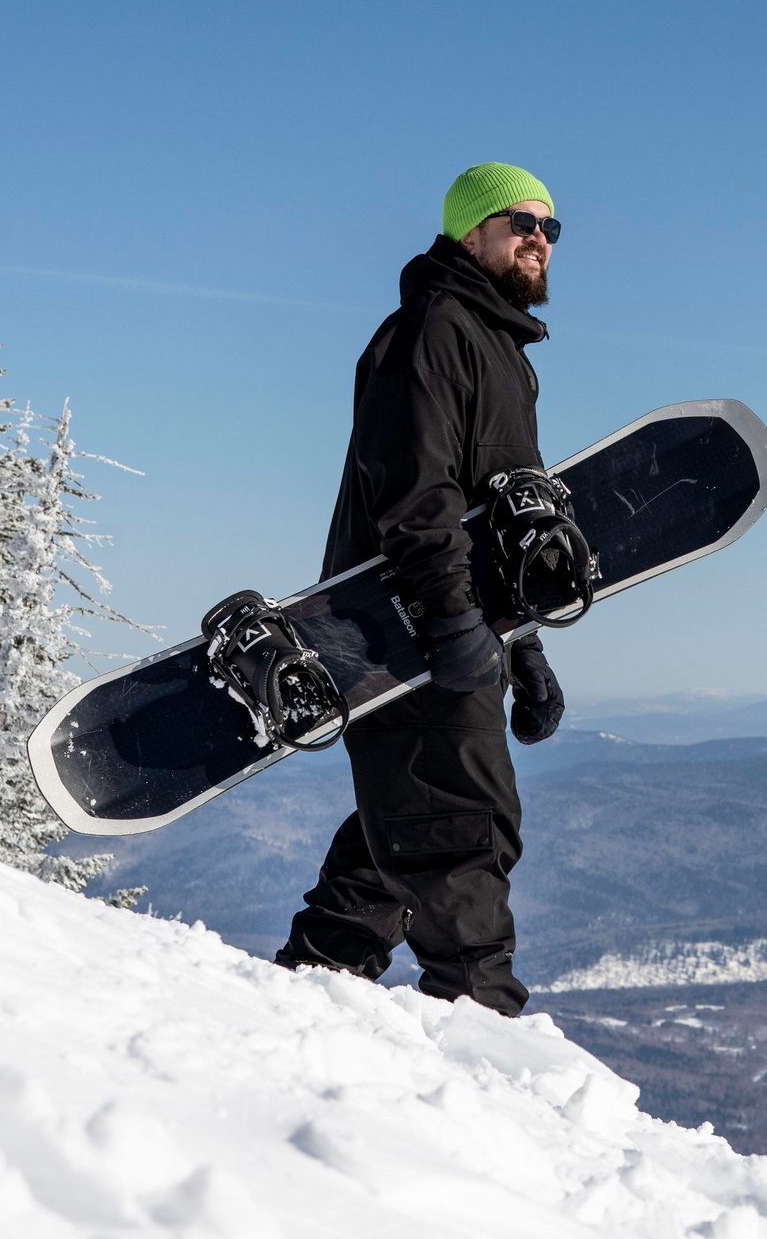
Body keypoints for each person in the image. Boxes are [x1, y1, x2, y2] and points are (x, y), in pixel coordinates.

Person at [274, 163, 569, 1015]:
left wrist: (527, 649)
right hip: (404, 624)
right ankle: (483, 1035)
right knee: (463, 830)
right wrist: (450, 620)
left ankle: (311, 988)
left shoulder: (502, 350)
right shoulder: (429, 331)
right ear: (470, 230)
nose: (539, 238)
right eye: (521, 221)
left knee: (413, 814)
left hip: (458, 628)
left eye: (551, 227)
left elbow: (507, 520)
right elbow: (418, 494)